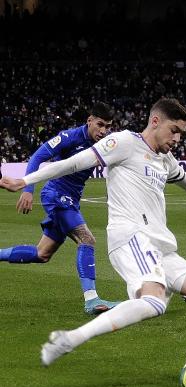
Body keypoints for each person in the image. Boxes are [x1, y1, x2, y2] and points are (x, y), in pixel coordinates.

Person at [0, 98, 186, 387]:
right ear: (155, 121)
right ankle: (69, 339)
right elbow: (73, 163)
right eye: (174, 130)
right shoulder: (122, 142)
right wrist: (26, 181)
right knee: (155, 301)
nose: (177, 139)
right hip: (130, 236)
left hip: (159, 244)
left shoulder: (165, 159)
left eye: (181, 134)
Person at [0, 103, 120, 315]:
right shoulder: (69, 137)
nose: (103, 131)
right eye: (100, 125)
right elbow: (38, 156)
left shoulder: (104, 144)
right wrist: (28, 190)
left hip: (71, 199)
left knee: (42, 254)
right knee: (87, 239)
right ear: (89, 120)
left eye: (108, 127)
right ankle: (92, 300)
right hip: (56, 194)